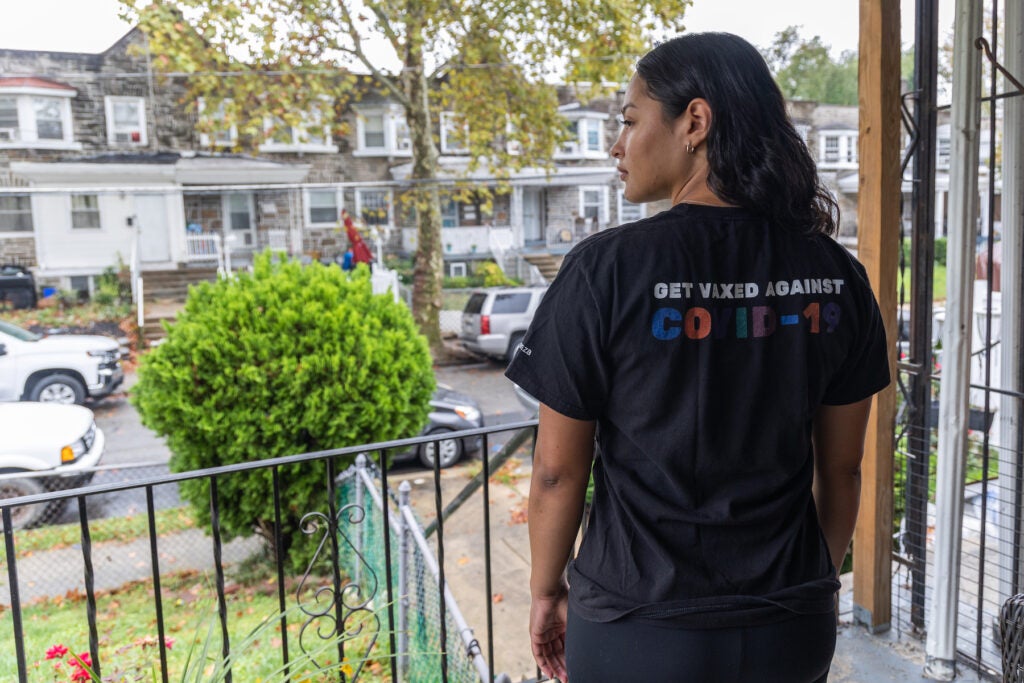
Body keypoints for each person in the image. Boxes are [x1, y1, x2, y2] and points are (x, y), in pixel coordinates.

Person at [505, 32, 890, 682]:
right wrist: (803, 585)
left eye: (629, 120)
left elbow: (554, 472)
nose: (615, 145)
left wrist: (547, 590)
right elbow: (843, 471)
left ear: (695, 122)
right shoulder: (836, 276)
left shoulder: (606, 272)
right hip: (789, 629)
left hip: (637, 630)